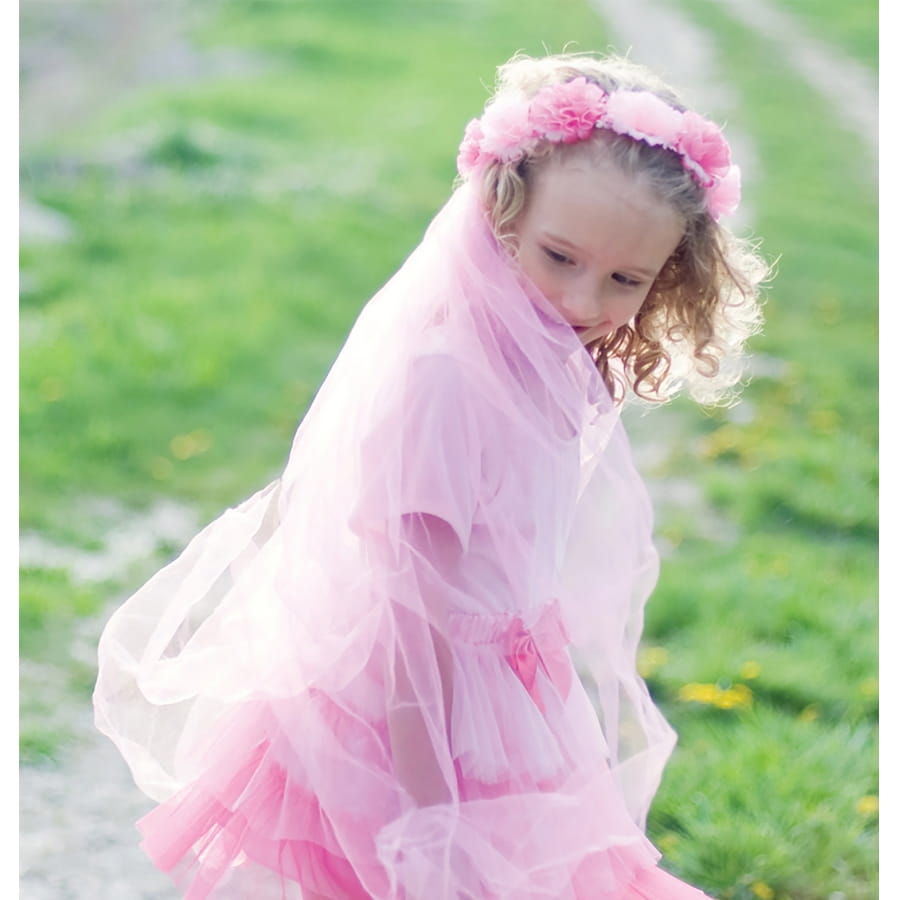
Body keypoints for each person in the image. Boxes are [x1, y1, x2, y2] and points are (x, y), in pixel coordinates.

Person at [94, 51, 767, 899]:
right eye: (559, 256)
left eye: (625, 280)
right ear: (501, 215)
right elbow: (406, 607)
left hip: (499, 691)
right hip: (411, 720)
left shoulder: (543, 363)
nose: (582, 301)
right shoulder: (447, 379)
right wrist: (429, 812)